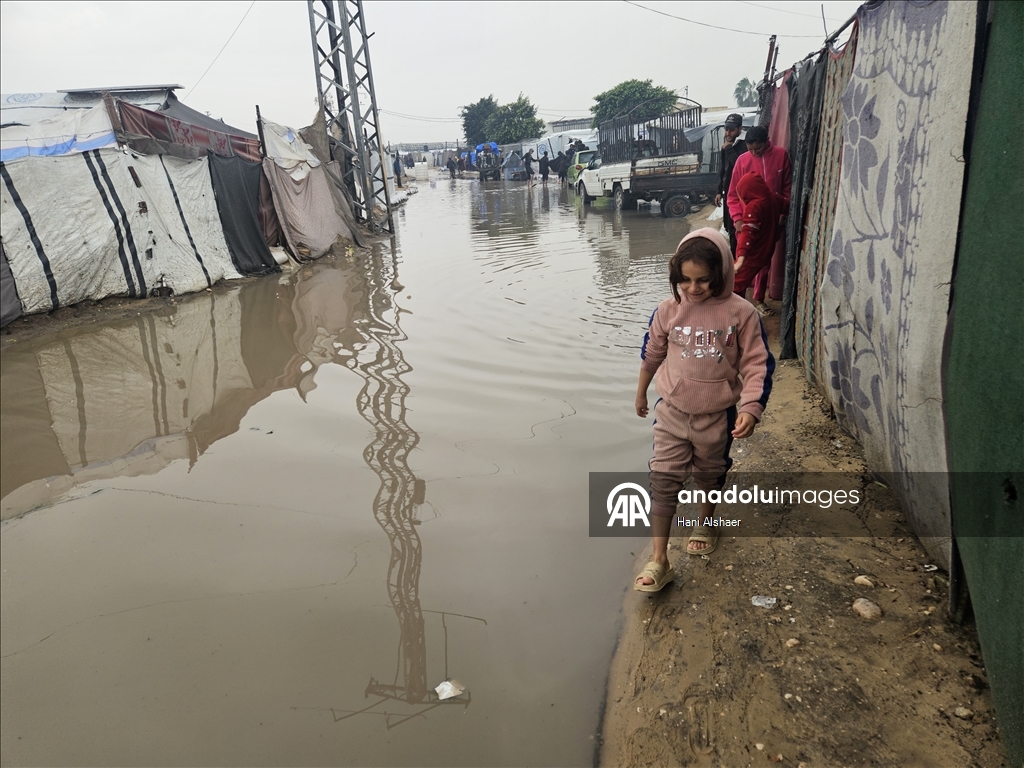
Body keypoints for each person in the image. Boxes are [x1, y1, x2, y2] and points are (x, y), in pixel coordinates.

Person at [633, 228, 774, 591]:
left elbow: (757, 363)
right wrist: (641, 393)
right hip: (672, 410)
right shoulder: (668, 310)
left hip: (718, 415)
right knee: (663, 477)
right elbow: (652, 353)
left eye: (703, 280)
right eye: (685, 280)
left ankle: (706, 522)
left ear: (721, 273)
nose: (693, 289)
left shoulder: (741, 313)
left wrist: (750, 407)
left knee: (710, 473)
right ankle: (659, 559)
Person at [726, 125, 792, 316]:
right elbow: (732, 195)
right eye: (751, 149)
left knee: (764, 261)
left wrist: (782, 215)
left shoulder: (780, 155)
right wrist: (737, 219)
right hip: (747, 222)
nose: (754, 153)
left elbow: (787, 188)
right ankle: (735, 303)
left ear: (767, 142)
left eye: (758, 148)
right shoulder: (742, 161)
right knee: (744, 263)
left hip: (772, 222)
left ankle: (759, 299)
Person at [732, 172, 789, 299]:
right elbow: (787, 206)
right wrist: (781, 222)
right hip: (767, 251)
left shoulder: (754, 207)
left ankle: (733, 308)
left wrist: (740, 259)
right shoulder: (774, 199)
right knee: (743, 282)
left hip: (753, 253)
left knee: (735, 284)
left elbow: (748, 233)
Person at [715, 113, 747, 256]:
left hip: (740, 195)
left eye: (732, 130)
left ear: (740, 129)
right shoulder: (726, 146)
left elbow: (739, 165)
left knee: (737, 226)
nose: (728, 133)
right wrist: (719, 191)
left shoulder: (744, 145)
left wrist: (729, 149)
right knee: (728, 226)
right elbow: (723, 170)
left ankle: (737, 258)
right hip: (728, 193)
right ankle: (733, 257)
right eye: (726, 129)